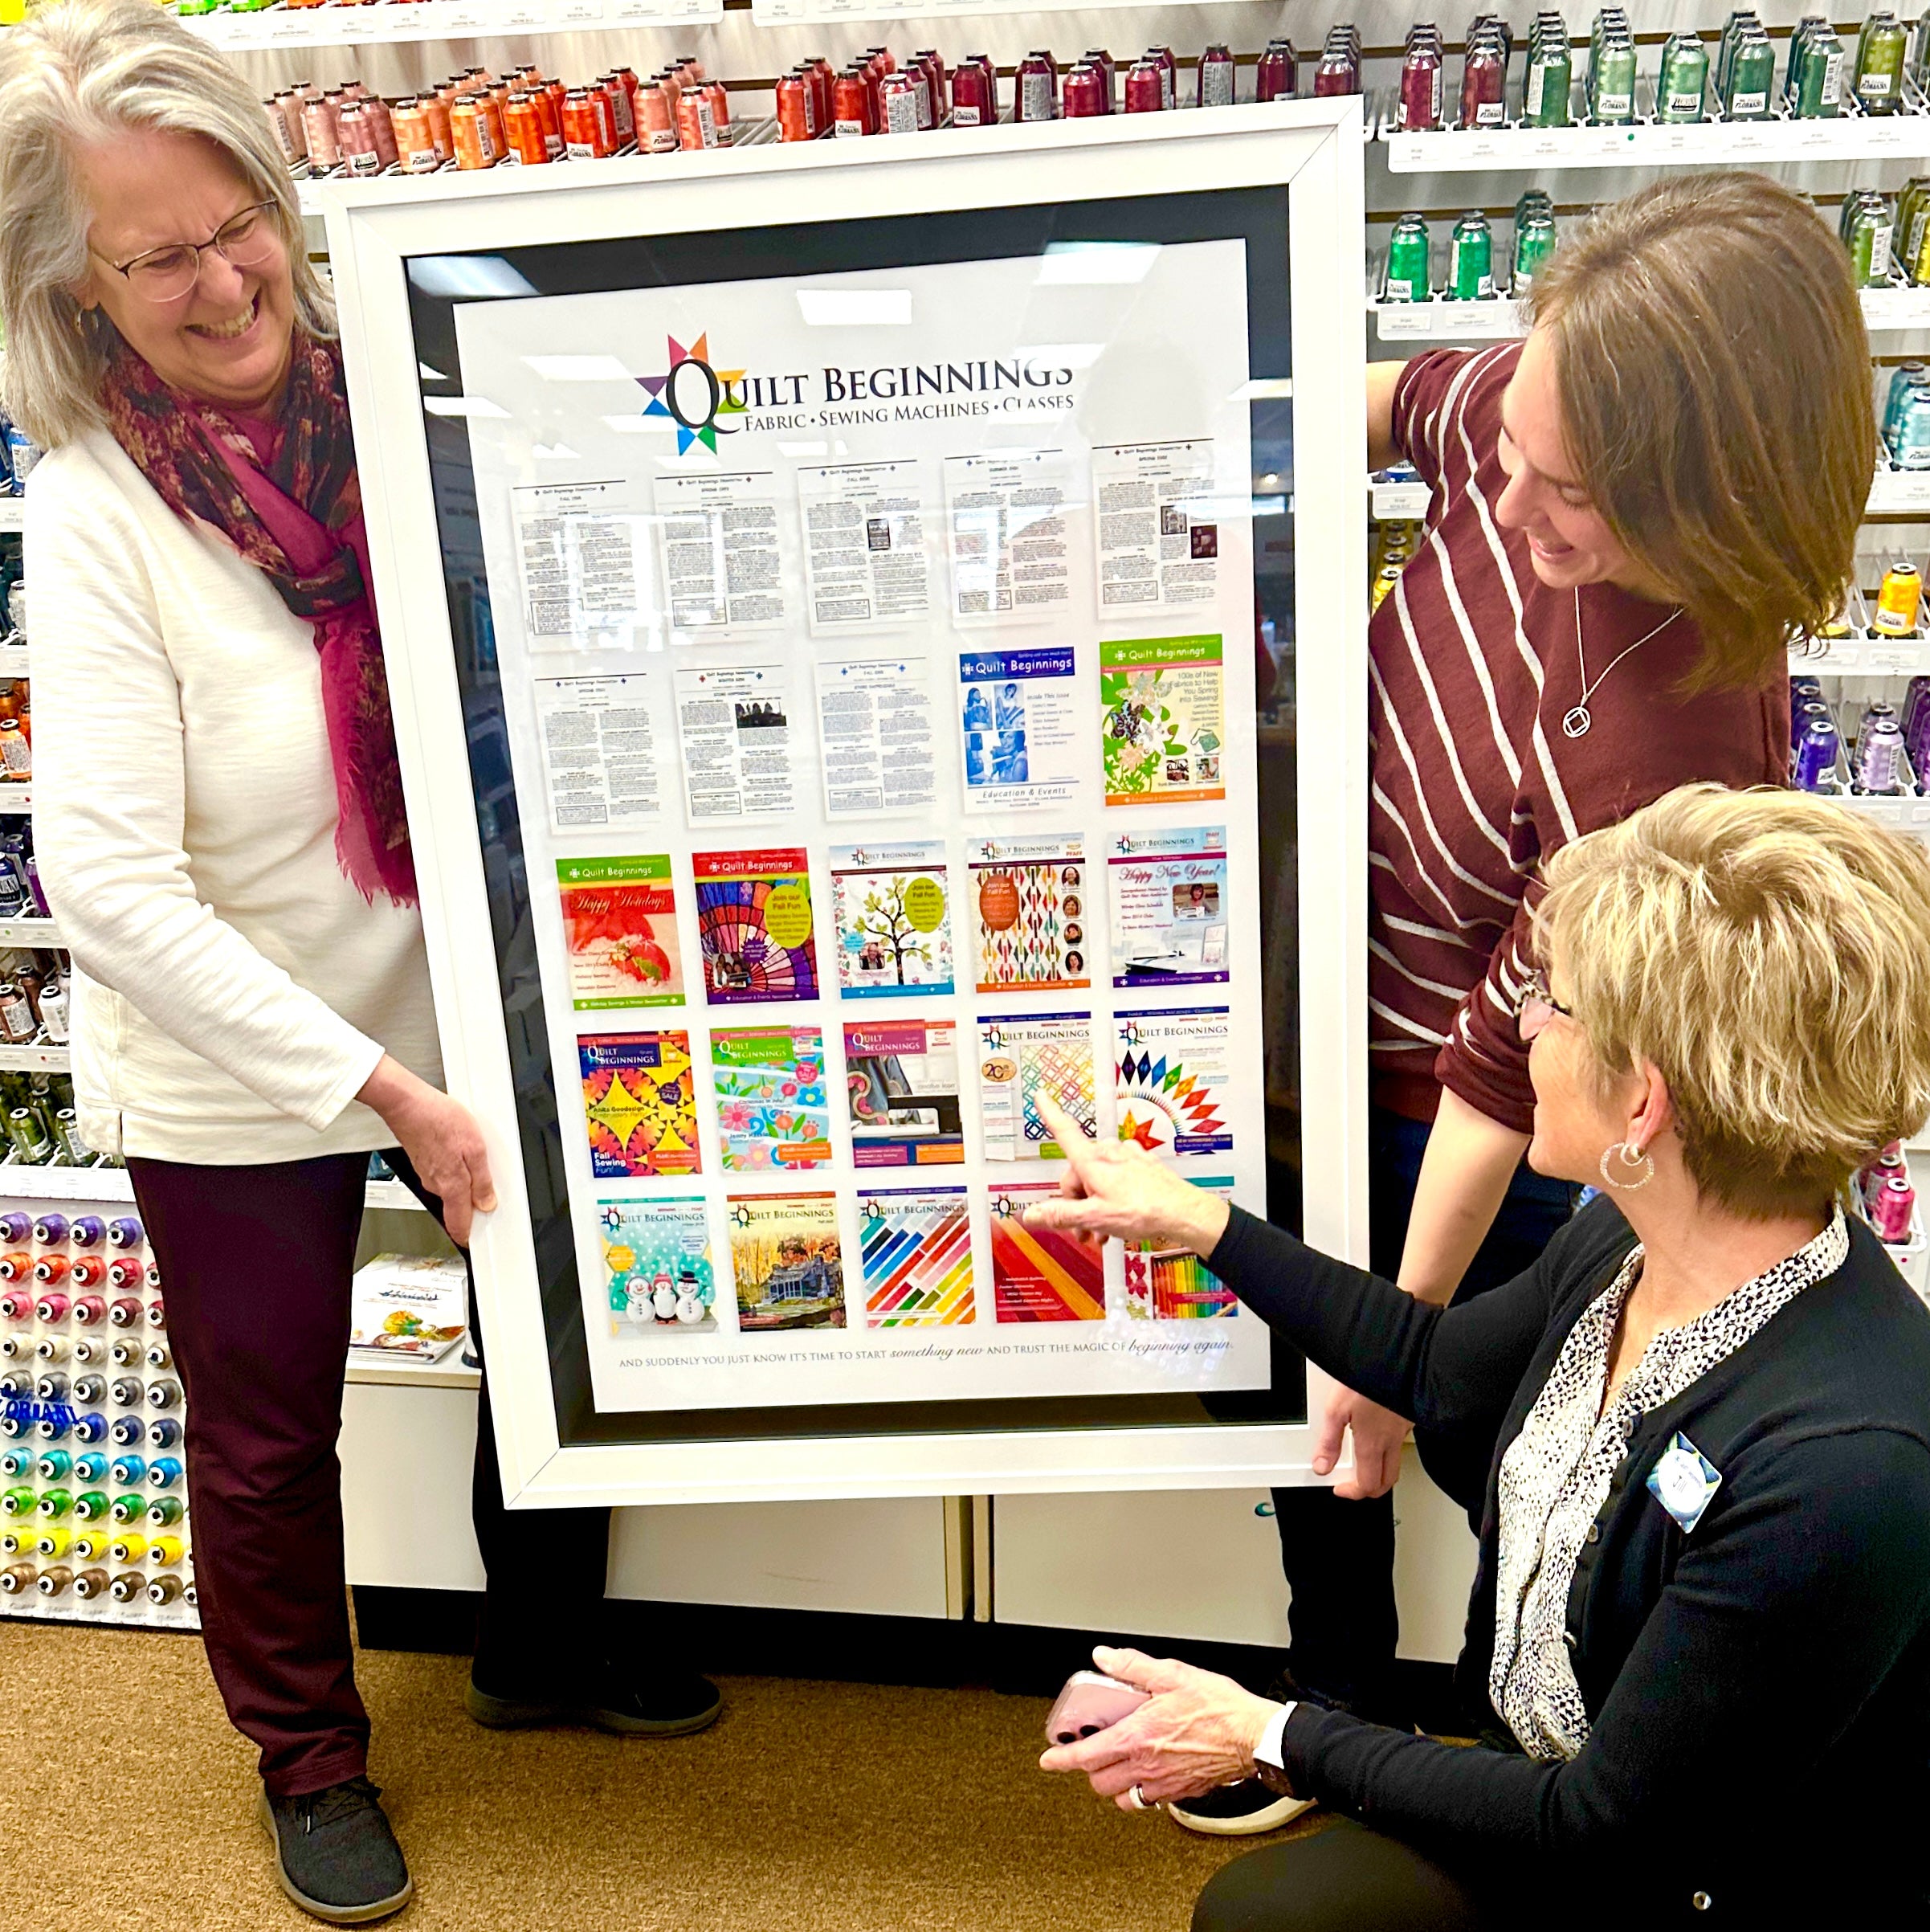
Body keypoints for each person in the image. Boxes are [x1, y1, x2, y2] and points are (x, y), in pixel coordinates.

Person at [0, 2, 720, 1922]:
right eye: (154, 258)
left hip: (480, 987)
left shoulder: (405, 396)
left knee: (554, 1346)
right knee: (263, 1424)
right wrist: (382, 1093)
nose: (222, 277)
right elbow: (104, 884)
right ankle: (307, 1759)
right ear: (71, 294)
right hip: (235, 1044)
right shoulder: (93, 516)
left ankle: (539, 1646)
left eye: (235, 219)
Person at [1226, 170, 1876, 1831]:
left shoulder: (1674, 739)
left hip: (1496, 1119)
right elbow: (1357, 398)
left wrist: (1398, 1334)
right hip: (1325, 1028)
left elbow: (1506, 1070)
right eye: (1499, 449)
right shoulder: (1537, 401)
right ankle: (1335, 1708)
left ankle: (1508, 1767)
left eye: (1561, 496)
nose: (1501, 504)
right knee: (1330, 1437)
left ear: (1698, 508)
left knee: (1514, 1472)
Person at [1034, 785, 1930, 1926]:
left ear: (1642, 1096)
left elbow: (1610, 1831)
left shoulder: (1847, 1460)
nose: (1523, 1027)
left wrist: (1268, 1733)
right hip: (1566, 1802)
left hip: (1689, 1877)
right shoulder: (1620, 1242)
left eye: (1552, 1005)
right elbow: (1433, 1362)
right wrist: (1196, 1221)